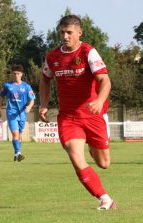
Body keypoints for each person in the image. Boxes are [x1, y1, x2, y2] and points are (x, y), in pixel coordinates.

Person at [39, 15, 116, 210]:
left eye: (69, 32)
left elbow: (105, 81)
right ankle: (105, 199)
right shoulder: (52, 57)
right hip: (68, 117)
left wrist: (99, 100)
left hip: (92, 115)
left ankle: (92, 145)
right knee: (75, 156)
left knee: (104, 163)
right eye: (62, 32)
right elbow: (45, 79)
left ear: (79, 32)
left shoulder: (88, 52)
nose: (65, 36)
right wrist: (44, 104)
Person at [0, 65, 35, 162]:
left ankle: (16, 154)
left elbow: (32, 100)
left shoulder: (26, 86)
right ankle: (18, 153)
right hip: (11, 113)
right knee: (15, 134)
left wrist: (29, 107)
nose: (16, 75)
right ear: (12, 74)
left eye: (18, 73)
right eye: (14, 73)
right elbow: (1, 96)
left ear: (21, 74)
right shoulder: (7, 86)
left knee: (20, 135)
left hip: (22, 114)